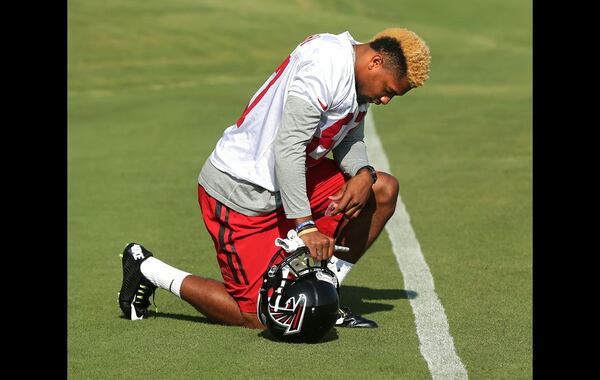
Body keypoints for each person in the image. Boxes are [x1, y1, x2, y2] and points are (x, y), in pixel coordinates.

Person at [118, 28, 431, 330]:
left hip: (291, 182)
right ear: (375, 62)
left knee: (380, 190)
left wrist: (364, 174)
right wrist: (305, 226)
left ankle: (325, 294)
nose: (386, 100)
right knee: (262, 315)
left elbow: (347, 139)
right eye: (388, 90)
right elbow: (289, 147)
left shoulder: (357, 76)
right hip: (243, 192)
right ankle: (146, 269)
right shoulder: (326, 64)